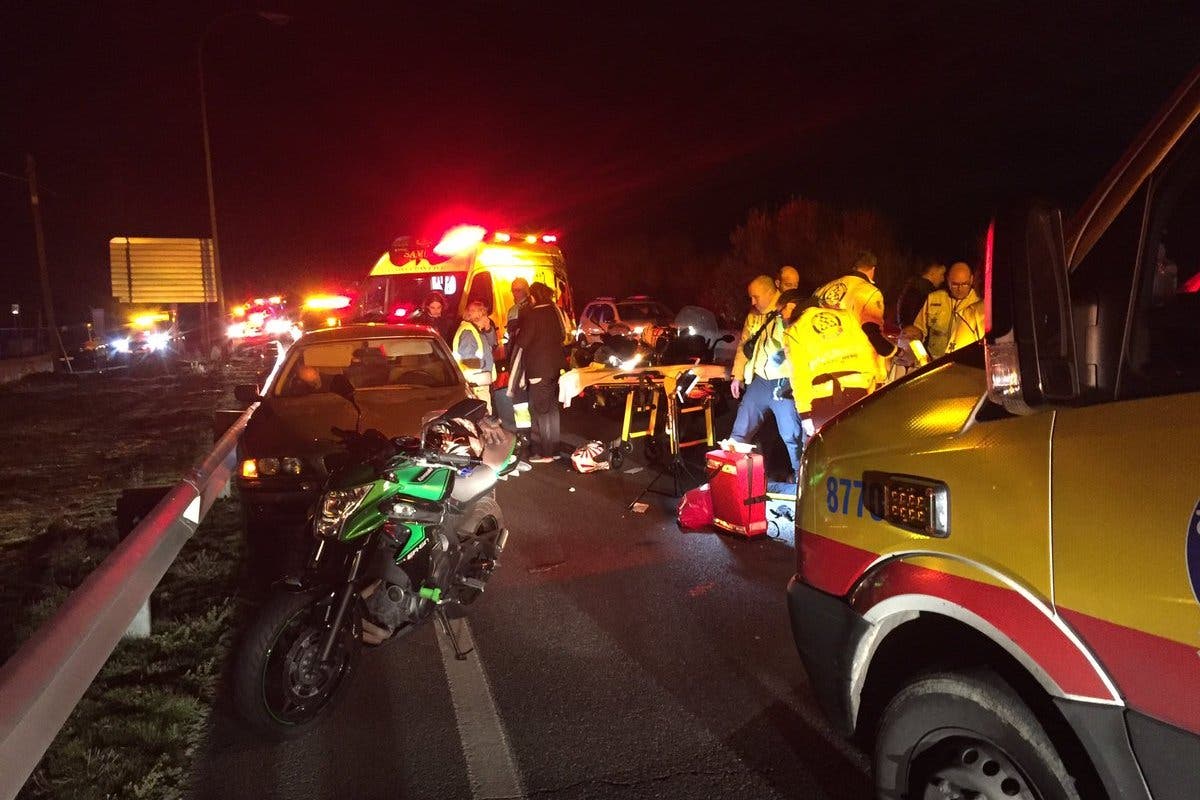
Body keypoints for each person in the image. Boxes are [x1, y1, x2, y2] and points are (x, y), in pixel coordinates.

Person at [782, 289, 891, 437]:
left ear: (790, 307)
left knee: (829, 454)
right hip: (860, 392)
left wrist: (804, 413)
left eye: (780, 312)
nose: (781, 317)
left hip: (824, 402)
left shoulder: (793, 331)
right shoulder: (847, 316)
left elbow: (799, 374)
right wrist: (878, 382)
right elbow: (868, 349)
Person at [729, 276, 803, 475]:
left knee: (792, 435)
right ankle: (731, 476)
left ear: (771, 293)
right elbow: (744, 344)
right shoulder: (754, 315)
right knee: (739, 431)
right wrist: (737, 375)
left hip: (784, 382)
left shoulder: (788, 310)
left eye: (756, 297)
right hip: (760, 381)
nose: (752, 302)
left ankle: (801, 478)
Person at [512, 281, 566, 463]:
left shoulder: (533, 315)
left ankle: (543, 453)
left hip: (538, 370)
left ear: (533, 297)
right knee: (552, 410)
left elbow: (523, 341)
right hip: (555, 368)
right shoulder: (554, 312)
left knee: (539, 411)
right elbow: (562, 336)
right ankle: (554, 449)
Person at [904, 261, 984, 359]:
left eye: (964, 284)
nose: (960, 289)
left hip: (962, 363)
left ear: (971, 280)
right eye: (955, 284)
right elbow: (919, 328)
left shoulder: (978, 306)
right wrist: (915, 335)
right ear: (948, 281)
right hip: (933, 361)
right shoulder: (934, 298)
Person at [813, 250, 885, 329]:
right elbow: (873, 330)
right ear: (873, 269)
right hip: (849, 340)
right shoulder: (872, 293)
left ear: (854, 267)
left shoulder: (825, 287)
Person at [453, 300, 499, 412]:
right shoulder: (468, 333)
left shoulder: (476, 331)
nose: (487, 319)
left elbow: (493, 344)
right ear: (478, 316)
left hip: (480, 383)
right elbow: (467, 360)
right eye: (485, 315)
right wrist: (484, 364)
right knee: (482, 418)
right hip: (476, 385)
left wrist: (488, 329)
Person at [895, 261, 946, 328]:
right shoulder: (927, 293)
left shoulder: (912, 287)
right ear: (932, 273)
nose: (943, 279)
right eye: (941, 274)